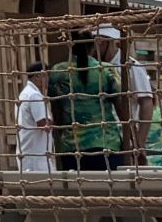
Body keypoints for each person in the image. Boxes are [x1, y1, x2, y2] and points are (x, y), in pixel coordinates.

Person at [49, 34, 128, 170]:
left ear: (70, 47)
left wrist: (60, 140)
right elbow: (122, 109)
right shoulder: (106, 70)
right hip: (107, 143)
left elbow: (57, 112)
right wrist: (132, 140)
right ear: (93, 47)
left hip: (72, 146)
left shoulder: (59, 72)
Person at [97, 24, 152, 163]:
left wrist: (139, 142)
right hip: (100, 137)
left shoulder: (131, 66)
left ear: (108, 42)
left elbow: (146, 102)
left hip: (124, 137)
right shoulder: (94, 67)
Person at [16, 62, 55, 172]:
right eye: (47, 75)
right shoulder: (34, 95)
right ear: (38, 76)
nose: (48, 80)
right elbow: (43, 123)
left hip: (30, 154)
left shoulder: (25, 93)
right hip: (36, 158)